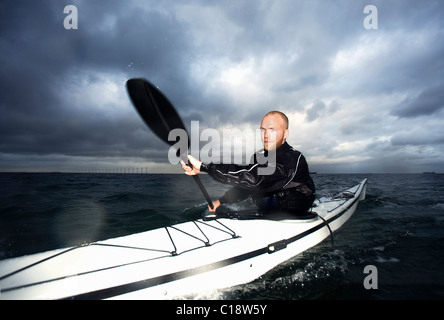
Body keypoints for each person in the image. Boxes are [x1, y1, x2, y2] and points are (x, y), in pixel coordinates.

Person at [181, 111, 315, 216]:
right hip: (268, 213)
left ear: (286, 133)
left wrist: (205, 167)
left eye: (272, 130)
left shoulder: (292, 158)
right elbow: (247, 185)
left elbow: (257, 180)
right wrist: (220, 201)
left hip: (294, 213)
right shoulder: (259, 157)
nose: (266, 135)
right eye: (263, 130)